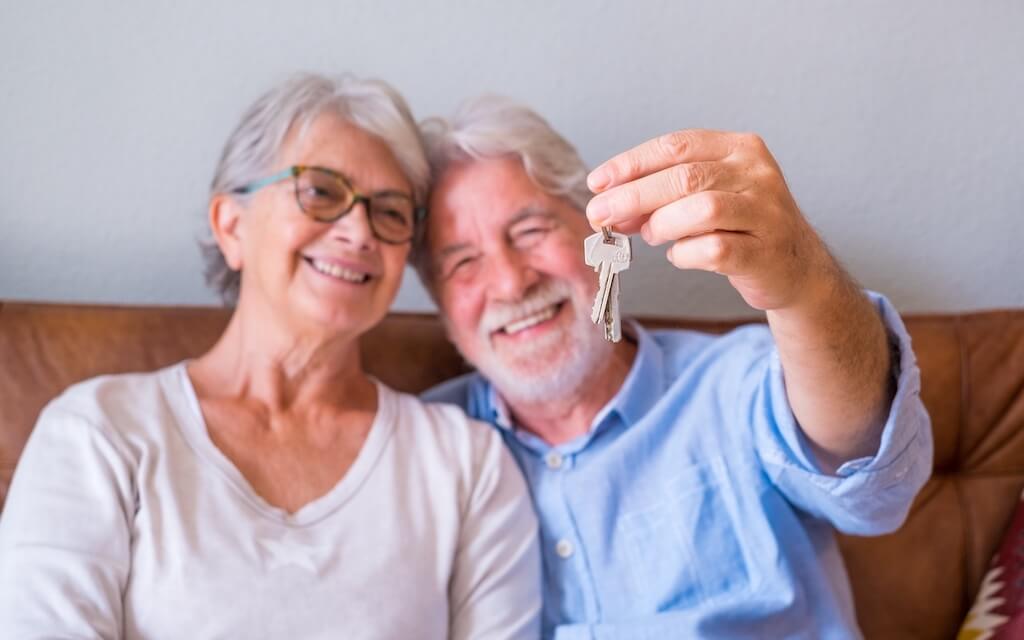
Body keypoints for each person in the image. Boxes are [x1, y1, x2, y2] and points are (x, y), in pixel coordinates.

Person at [0, 75, 540, 639]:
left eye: (390, 211)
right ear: (231, 226)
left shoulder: (466, 465)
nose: (359, 232)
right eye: (321, 191)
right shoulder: (98, 434)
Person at [415, 96, 933, 639]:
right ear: (439, 304)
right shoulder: (423, 448)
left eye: (530, 232)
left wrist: (803, 285)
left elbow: (875, 485)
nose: (510, 281)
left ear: (598, 235)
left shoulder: (734, 385)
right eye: (463, 262)